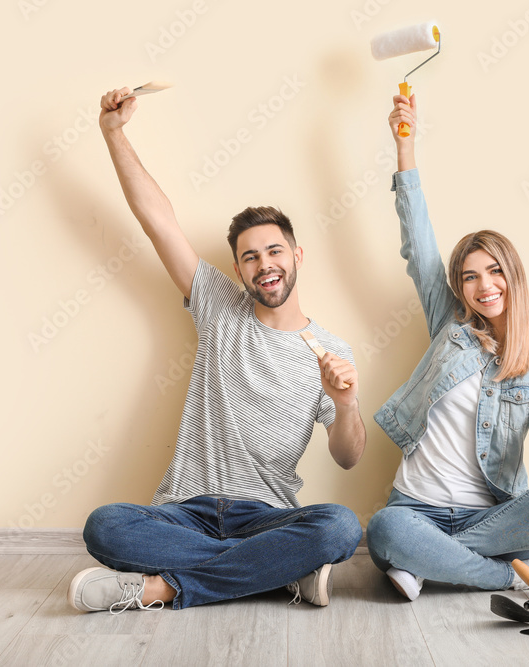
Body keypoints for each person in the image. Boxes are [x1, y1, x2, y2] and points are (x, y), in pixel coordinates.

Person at [69, 86, 366, 613]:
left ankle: (165, 587)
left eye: (274, 250)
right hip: (184, 509)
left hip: (267, 513)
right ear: (237, 270)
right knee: (106, 526)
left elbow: (348, 458)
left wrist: (345, 405)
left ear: (297, 255)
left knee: (340, 526)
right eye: (250, 257)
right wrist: (114, 134)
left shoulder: (329, 350)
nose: (264, 264)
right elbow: (157, 219)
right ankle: (274, 573)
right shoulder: (218, 305)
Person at [366, 93, 529, 601]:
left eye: (493, 271)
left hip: (491, 517)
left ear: (513, 275)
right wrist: (405, 147)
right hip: (413, 510)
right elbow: (417, 239)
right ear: (458, 288)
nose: (482, 285)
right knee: (385, 530)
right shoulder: (451, 325)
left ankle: (430, 563)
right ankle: (511, 575)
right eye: (468, 277)